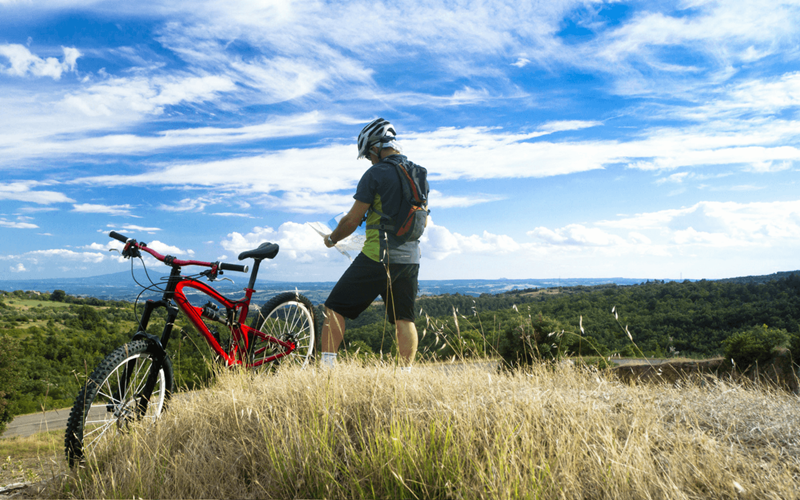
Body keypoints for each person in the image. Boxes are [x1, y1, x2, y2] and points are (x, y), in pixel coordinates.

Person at [321, 118, 428, 371]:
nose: (369, 160)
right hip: (411, 258)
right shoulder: (419, 173)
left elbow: (350, 220)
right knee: (404, 318)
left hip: (377, 257)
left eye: (368, 155)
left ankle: (325, 371)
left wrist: (331, 239)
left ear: (374, 148)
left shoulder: (375, 173)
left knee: (334, 308)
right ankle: (404, 376)